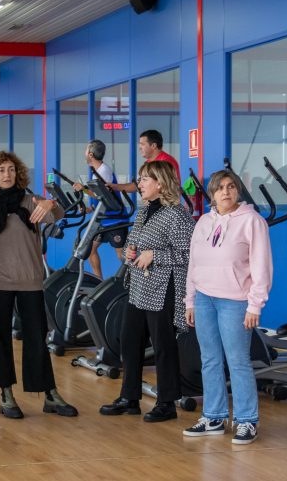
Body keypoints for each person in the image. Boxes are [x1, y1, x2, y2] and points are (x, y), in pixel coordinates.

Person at [0, 151, 76, 419]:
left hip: (30, 280)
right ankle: (6, 394)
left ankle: (49, 394)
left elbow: (58, 215)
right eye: (1, 171)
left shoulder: (31, 202)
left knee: (36, 338)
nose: (7, 174)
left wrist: (50, 203)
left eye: (10, 169)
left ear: (17, 173)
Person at [100, 160, 194, 421]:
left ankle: (167, 403)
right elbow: (134, 245)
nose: (139, 184)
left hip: (164, 287)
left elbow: (189, 254)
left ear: (160, 183)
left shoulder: (177, 214)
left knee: (163, 346)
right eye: (140, 179)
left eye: (144, 180)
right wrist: (130, 253)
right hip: (139, 287)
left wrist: (156, 254)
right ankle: (129, 397)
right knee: (129, 340)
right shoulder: (143, 212)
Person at [183, 168, 273, 445]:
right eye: (220, 187)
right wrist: (190, 299)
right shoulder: (202, 223)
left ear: (238, 191)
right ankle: (213, 416)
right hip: (205, 298)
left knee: (238, 361)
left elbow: (262, 266)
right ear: (212, 193)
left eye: (231, 186)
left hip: (235, 301)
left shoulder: (253, 221)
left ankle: (246, 420)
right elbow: (193, 264)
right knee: (209, 359)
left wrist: (255, 306)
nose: (226, 191)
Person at [71, 139, 130, 280]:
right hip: (103, 219)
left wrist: (83, 189)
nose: (84, 153)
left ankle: (134, 281)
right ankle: (99, 281)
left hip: (115, 219)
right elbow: (100, 199)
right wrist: (91, 208)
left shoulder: (104, 171)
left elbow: (103, 195)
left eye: (86, 151)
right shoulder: (96, 171)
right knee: (90, 249)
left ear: (90, 154)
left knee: (121, 255)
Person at [108, 129, 181, 195]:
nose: (139, 147)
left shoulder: (165, 162)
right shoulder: (148, 163)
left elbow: (165, 188)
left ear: (153, 145)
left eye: (142, 144)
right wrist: (115, 187)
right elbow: (138, 185)